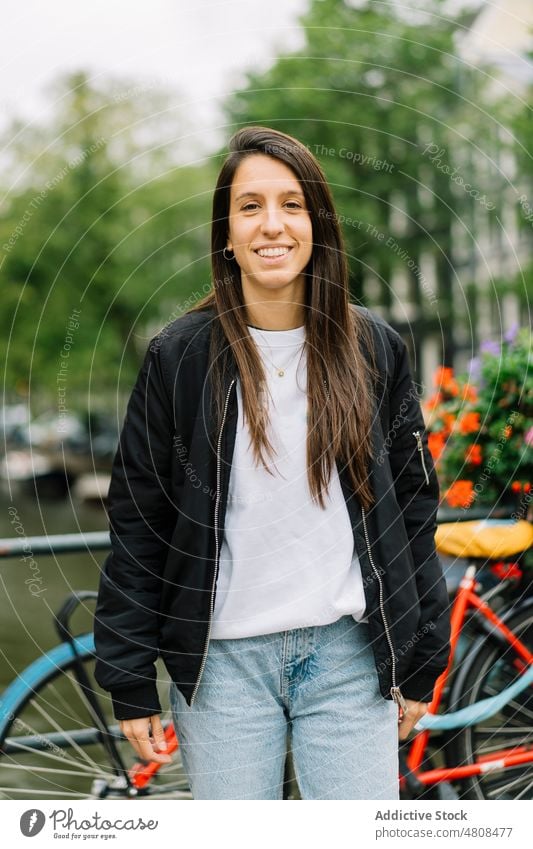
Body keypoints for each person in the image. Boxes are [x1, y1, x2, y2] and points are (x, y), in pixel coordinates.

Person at [94, 125, 451, 800]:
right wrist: (130, 674)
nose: (272, 225)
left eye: (292, 204)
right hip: (221, 667)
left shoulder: (374, 348)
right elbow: (138, 520)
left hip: (350, 658)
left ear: (317, 223)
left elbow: (411, 507)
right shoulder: (180, 357)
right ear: (224, 234)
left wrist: (421, 657)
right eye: (249, 206)